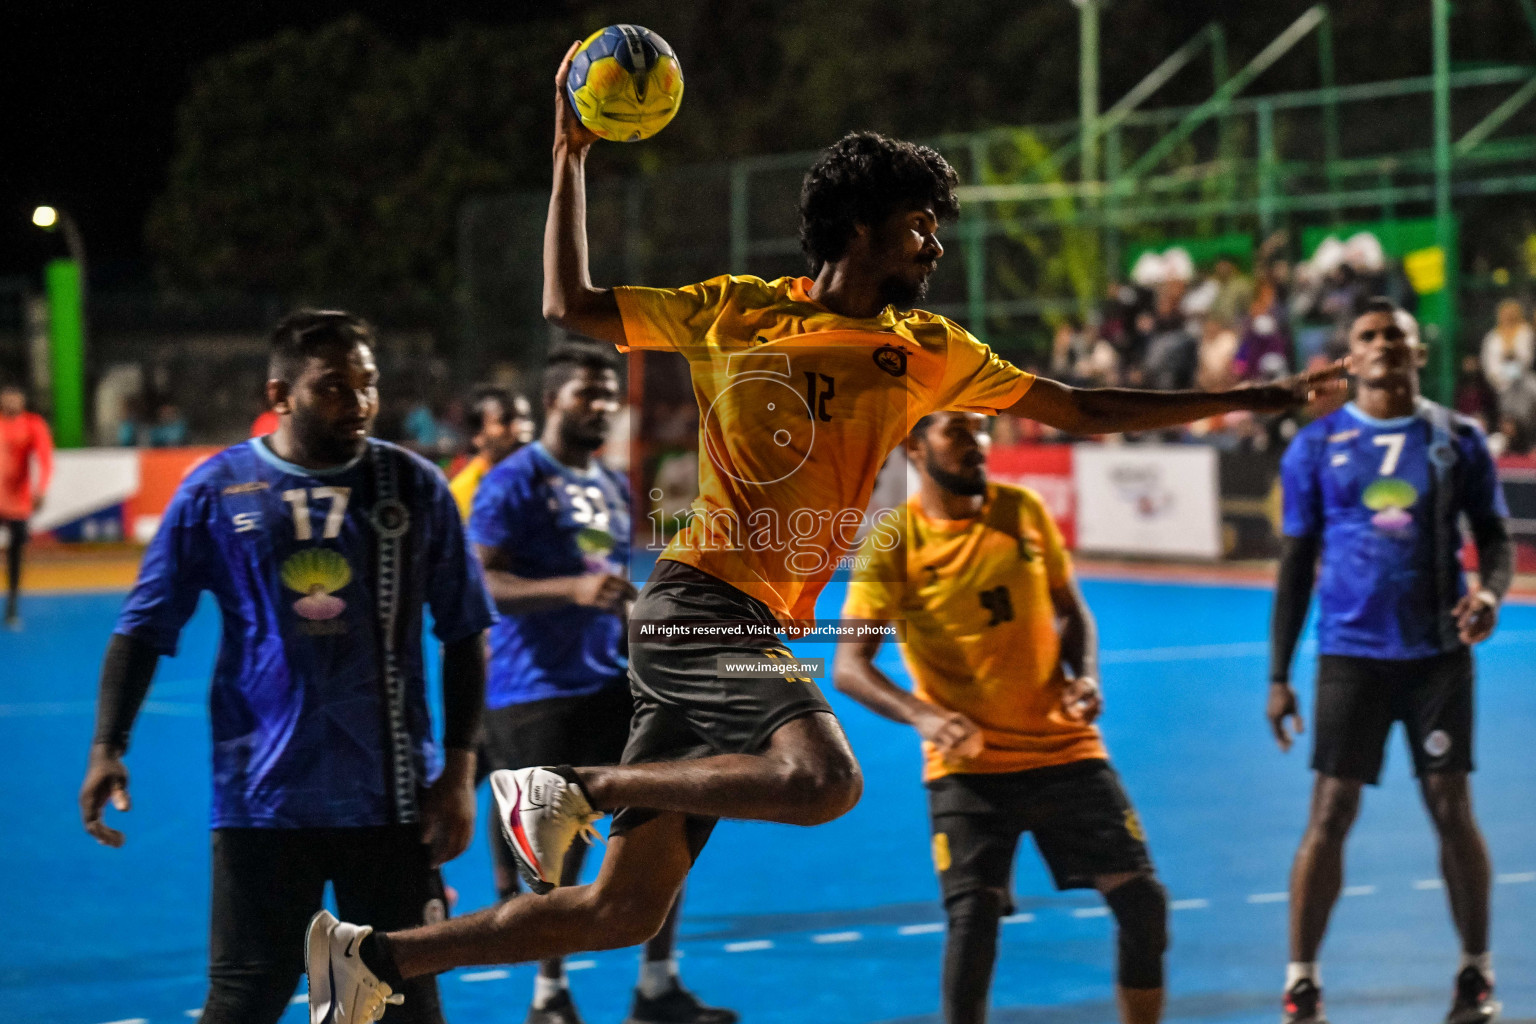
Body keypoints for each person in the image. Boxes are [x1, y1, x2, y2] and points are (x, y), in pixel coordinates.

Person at [306, 42, 1344, 1020]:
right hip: (700, 604)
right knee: (825, 777)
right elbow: (570, 302)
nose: (934, 242)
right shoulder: (737, 312)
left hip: (738, 622)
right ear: (858, 229)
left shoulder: (928, 349)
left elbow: (1082, 404)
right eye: (918, 225)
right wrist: (567, 160)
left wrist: (1257, 395)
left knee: (620, 912)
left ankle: (371, 955)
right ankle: (573, 785)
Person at [80, 310, 493, 1024]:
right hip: (260, 802)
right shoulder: (217, 489)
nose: (360, 401)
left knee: (404, 1007)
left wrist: (458, 775)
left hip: (392, 805)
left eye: (368, 383)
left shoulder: (414, 486)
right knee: (244, 1003)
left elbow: (466, 633)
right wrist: (107, 747)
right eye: (335, 386)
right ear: (280, 395)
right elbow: (143, 627)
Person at [836, 411, 1165, 1024]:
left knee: (1143, 903)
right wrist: (924, 716)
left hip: (1065, 750)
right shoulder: (895, 542)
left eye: (983, 431)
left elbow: (1072, 612)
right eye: (958, 433)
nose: (978, 445)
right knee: (974, 919)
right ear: (914, 447)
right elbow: (850, 666)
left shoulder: (1022, 510)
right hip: (967, 764)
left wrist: (1085, 676)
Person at [470, 346, 735, 1024]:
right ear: (554, 398)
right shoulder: (513, 481)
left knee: (677, 807)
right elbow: (483, 584)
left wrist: (644, 623)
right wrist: (573, 589)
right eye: (588, 393)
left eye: (608, 394)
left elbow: (610, 588)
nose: (602, 406)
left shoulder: (615, 485)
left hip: (609, 683)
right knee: (552, 860)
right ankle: (548, 997)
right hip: (533, 692)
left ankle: (657, 987)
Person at [1268, 300, 1512, 1024]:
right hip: (1350, 655)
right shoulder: (1315, 447)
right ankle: (1303, 982)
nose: (1383, 345)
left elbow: (1496, 539)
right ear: (1350, 357)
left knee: (1450, 809)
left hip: (1439, 656)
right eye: (1369, 336)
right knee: (1331, 811)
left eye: (1395, 335)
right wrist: (1278, 676)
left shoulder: (1458, 439)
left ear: (1417, 351)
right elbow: (1294, 566)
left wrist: (1491, 594)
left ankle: (1475, 974)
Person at [0, 383, 53, 628]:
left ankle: (12, 605)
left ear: (22, 400)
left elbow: (45, 459)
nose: (11, 402)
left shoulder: (32, 424)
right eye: (6, 398)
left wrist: (40, 489)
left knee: (15, 554)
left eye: (15, 397)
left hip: (18, 502)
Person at [449, 386, 535, 521]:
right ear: (477, 435)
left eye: (522, 418)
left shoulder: (536, 479)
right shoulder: (465, 491)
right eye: (504, 421)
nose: (518, 428)